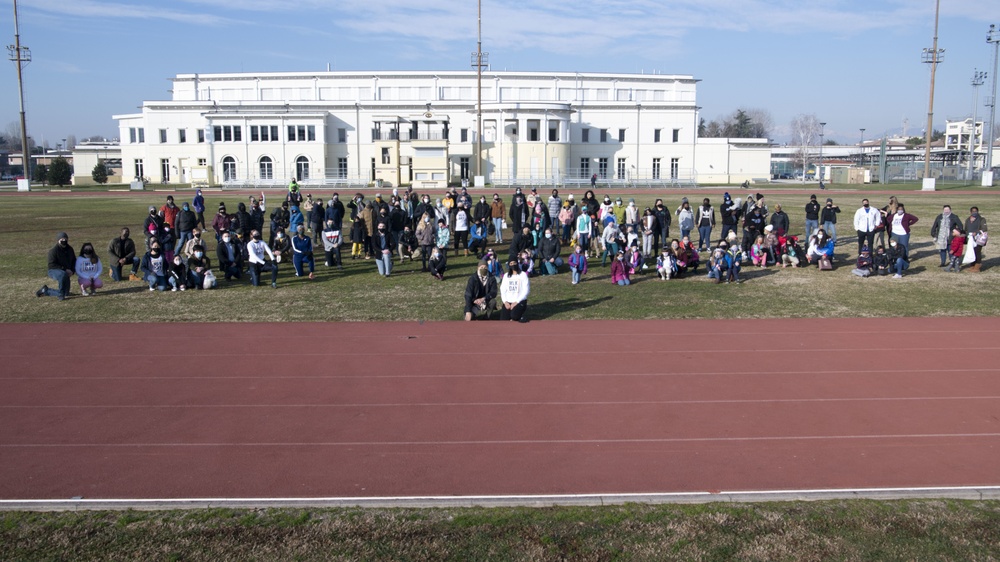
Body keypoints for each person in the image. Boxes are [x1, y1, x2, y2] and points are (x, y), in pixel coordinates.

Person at [37, 232, 76, 300]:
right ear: (58, 240)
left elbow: (74, 261)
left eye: (65, 239)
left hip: (66, 272)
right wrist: (64, 269)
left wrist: (72, 271)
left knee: (66, 293)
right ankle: (61, 295)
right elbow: (51, 264)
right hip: (53, 270)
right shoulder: (53, 251)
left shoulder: (70, 249)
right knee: (62, 274)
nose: (64, 241)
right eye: (62, 239)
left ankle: (46, 290)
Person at [964, 206, 988, 272]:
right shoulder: (968, 219)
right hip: (970, 239)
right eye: (973, 211)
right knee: (971, 252)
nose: (974, 212)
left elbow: (984, 229)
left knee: (977, 252)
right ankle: (972, 265)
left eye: (975, 211)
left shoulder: (981, 219)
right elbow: (966, 229)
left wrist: (976, 232)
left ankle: (978, 265)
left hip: (978, 239)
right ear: (970, 212)